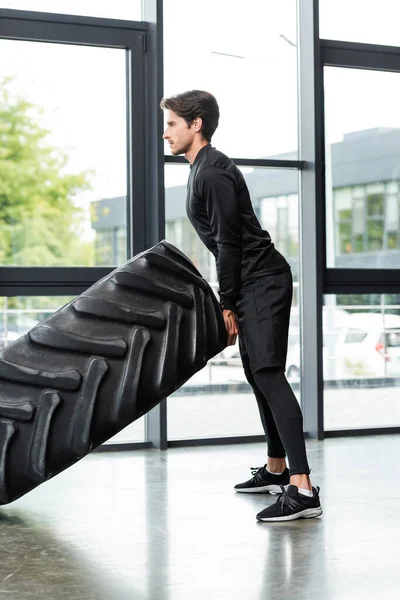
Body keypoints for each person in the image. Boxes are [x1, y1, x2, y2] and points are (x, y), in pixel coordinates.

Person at [161, 90, 322, 522]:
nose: (166, 132)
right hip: (253, 281)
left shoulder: (212, 172)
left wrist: (226, 303)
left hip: (262, 281)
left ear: (196, 125)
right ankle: (277, 468)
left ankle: (303, 488)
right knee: (256, 374)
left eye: (172, 123)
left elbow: (228, 245)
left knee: (268, 373)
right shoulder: (202, 169)